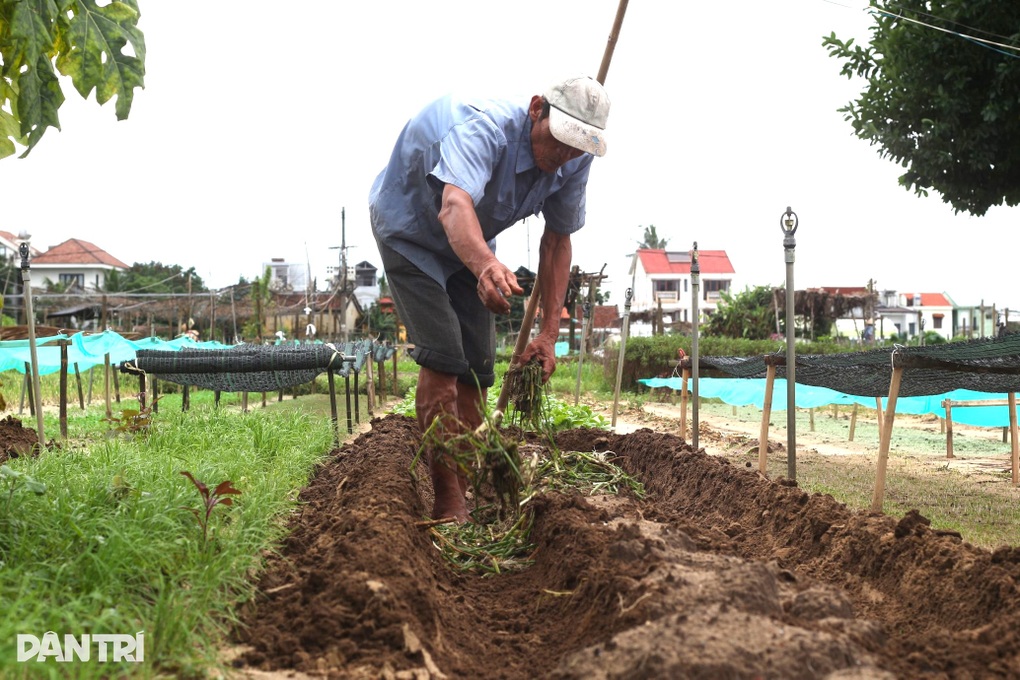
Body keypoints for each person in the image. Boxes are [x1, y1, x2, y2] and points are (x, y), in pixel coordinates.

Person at [369, 75, 610, 522]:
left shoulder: (574, 158)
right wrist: (484, 268)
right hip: (412, 233)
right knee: (443, 357)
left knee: (478, 371)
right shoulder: (484, 129)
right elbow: (454, 206)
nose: (563, 158)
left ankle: (462, 480)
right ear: (537, 109)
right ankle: (447, 499)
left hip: (471, 245)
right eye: (560, 142)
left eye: (578, 148)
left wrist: (549, 332)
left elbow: (557, 242)